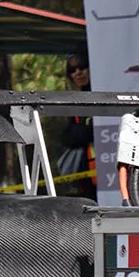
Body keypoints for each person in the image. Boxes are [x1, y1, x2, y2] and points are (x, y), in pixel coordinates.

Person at [56, 50, 98, 199]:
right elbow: (67, 137)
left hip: (108, 167)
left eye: (82, 66)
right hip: (86, 174)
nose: (78, 73)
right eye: (72, 70)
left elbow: (95, 131)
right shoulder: (75, 102)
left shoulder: (102, 93)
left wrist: (82, 132)